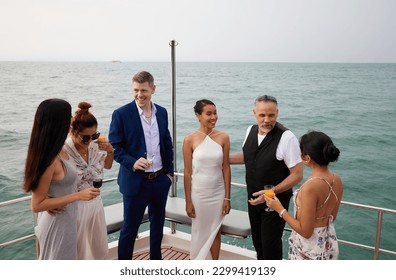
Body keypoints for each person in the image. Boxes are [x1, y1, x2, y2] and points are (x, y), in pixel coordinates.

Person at [23, 98, 100, 260]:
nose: (72, 119)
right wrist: (78, 195)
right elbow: (36, 205)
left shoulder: (60, 150)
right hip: (56, 226)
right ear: (58, 122)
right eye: (69, 116)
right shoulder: (49, 160)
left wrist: (56, 198)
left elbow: (52, 190)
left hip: (67, 221)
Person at [109, 71, 174, 260]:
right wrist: (133, 162)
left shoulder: (161, 112)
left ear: (153, 89)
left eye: (143, 90)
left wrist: (169, 174)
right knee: (129, 229)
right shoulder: (121, 114)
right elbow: (115, 147)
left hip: (160, 180)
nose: (139, 95)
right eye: (136, 90)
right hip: (135, 182)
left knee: (157, 225)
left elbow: (167, 143)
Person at [229, 95, 303, 260]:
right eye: (262, 115)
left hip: (274, 202)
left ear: (277, 113)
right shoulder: (250, 130)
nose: (267, 119)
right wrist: (223, 160)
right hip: (253, 200)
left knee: (270, 246)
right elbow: (249, 156)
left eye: (271, 115)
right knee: (258, 243)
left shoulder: (286, 137)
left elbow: (297, 174)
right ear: (254, 113)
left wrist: (270, 193)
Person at [252, 131, 343, 260]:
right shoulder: (336, 180)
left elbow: (306, 232)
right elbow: (332, 217)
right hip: (329, 245)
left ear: (307, 158)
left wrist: (280, 209)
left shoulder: (310, 188)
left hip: (309, 250)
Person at [64, 101, 114, 259]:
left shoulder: (94, 146)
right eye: (86, 137)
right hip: (74, 207)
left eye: (95, 135)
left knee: (97, 249)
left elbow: (107, 166)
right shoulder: (64, 151)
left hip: (95, 203)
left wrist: (110, 151)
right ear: (73, 132)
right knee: (80, 252)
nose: (91, 140)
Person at [183, 99, 231, 260]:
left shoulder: (223, 137)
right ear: (198, 116)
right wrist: (188, 201)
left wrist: (227, 197)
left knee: (215, 230)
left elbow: (226, 168)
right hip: (199, 194)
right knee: (199, 230)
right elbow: (188, 172)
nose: (213, 117)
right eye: (208, 114)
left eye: (215, 113)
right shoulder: (189, 140)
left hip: (218, 193)